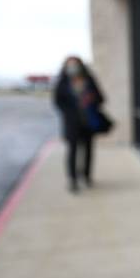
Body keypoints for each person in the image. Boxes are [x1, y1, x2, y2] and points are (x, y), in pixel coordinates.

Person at [53, 56, 105, 193]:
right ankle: (73, 179)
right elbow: (58, 102)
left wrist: (91, 99)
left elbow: (101, 98)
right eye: (70, 65)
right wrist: (70, 112)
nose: (73, 67)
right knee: (72, 151)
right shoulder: (63, 83)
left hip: (88, 122)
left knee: (88, 150)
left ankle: (87, 176)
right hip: (72, 124)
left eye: (75, 64)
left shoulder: (88, 80)